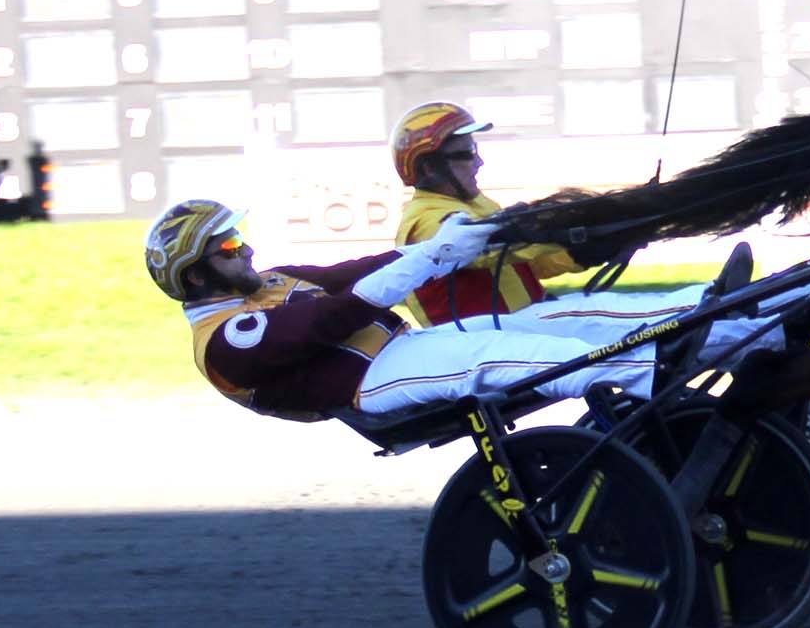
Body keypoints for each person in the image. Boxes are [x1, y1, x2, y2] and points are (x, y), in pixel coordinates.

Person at [145, 198, 773, 429]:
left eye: (240, 237)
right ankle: (656, 369)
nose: (246, 248)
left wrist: (450, 246)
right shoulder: (222, 342)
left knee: (565, 320)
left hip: (407, 350)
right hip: (373, 384)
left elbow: (357, 270)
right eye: (229, 246)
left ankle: (743, 322)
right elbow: (335, 317)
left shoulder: (272, 279)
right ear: (196, 275)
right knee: (516, 355)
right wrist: (434, 255)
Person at [388, 101, 706, 329]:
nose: (479, 162)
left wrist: (585, 252)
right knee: (641, 318)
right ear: (429, 167)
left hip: (524, 321)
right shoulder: (425, 220)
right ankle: (713, 315)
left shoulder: (475, 204)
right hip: (488, 338)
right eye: (467, 153)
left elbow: (527, 266)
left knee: (634, 316)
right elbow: (491, 250)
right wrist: (562, 228)